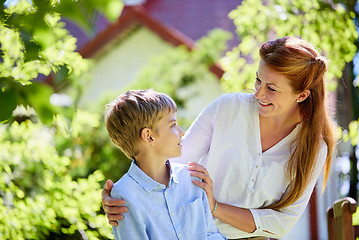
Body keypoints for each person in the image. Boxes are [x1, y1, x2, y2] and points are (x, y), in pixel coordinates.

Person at [102, 37, 336, 239]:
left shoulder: (315, 148)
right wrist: (127, 196)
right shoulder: (228, 108)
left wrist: (214, 206)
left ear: (302, 95)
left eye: (272, 88)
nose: (259, 93)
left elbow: (280, 223)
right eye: (258, 80)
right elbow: (169, 162)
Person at [104, 89, 226, 240]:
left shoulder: (193, 178)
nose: (182, 132)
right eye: (173, 124)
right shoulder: (125, 195)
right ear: (149, 136)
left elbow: (211, 234)